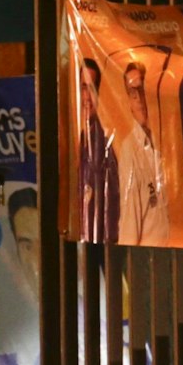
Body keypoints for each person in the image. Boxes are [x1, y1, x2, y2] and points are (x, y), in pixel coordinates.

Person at [116, 59, 171, 246]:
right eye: (132, 93)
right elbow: (130, 219)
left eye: (141, 90)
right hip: (147, 260)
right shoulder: (129, 150)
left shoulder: (165, 140)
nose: (139, 98)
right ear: (128, 100)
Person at [76, 59, 119, 243]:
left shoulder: (104, 147)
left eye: (92, 88)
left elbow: (110, 212)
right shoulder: (80, 140)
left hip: (96, 250)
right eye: (83, 87)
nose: (87, 96)